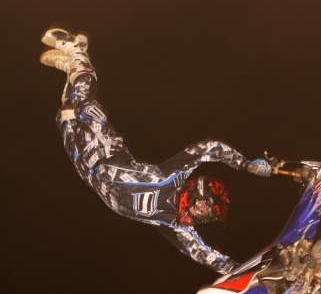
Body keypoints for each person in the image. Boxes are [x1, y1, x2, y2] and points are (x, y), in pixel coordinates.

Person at [39, 28, 273, 276]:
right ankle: (76, 52)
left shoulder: (176, 224)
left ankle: (71, 69)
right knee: (82, 100)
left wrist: (251, 275)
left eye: (208, 216)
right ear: (198, 191)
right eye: (206, 208)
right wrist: (246, 164)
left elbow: (209, 257)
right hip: (103, 148)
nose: (202, 216)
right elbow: (210, 147)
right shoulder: (175, 175)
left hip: (87, 171)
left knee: (65, 114)